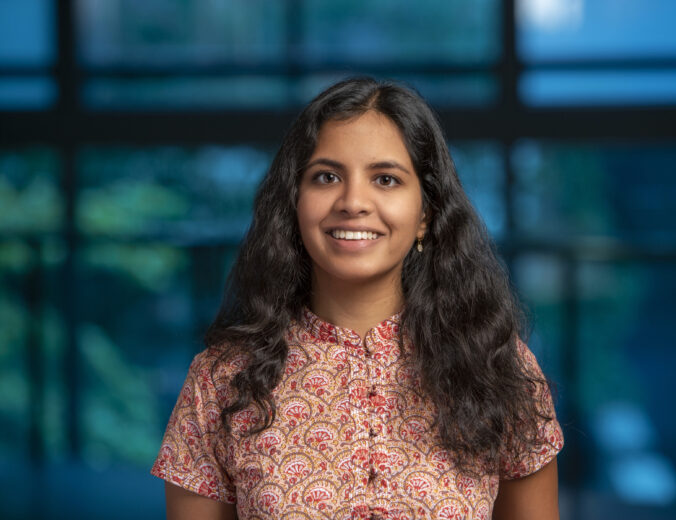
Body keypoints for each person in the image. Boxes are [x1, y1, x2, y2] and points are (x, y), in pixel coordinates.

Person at [150, 76, 564, 520]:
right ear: (294, 202)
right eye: (326, 177)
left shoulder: (499, 367)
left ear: (425, 214)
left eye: (385, 179)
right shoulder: (221, 381)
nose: (353, 202)